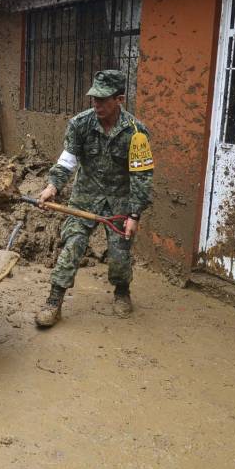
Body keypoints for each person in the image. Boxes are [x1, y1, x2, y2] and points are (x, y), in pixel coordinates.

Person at [34, 69, 154, 328]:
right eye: (94, 99)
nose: (96, 104)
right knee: (72, 245)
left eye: (103, 99)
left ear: (119, 99)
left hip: (120, 203)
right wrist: (52, 186)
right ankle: (53, 302)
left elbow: (141, 176)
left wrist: (134, 214)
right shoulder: (80, 124)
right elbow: (68, 160)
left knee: (120, 255)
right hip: (85, 197)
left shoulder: (137, 132)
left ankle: (122, 292)